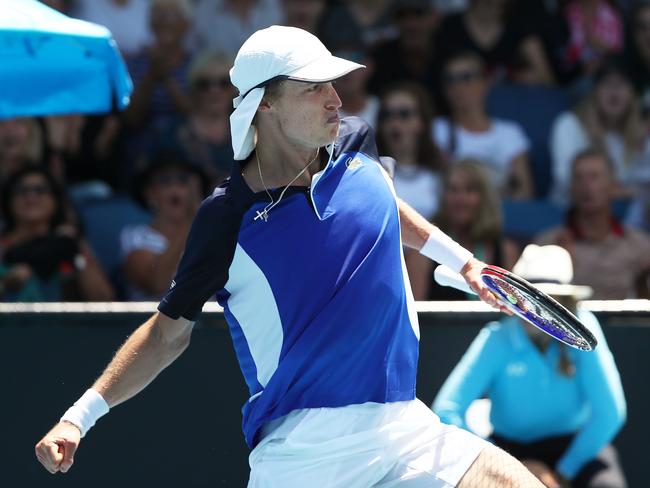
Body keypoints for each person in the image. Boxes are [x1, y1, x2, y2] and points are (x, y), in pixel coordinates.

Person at [35, 26, 545, 487]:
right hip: (304, 454)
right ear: (265, 105)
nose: (335, 100)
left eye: (333, 84)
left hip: (404, 428)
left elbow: (382, 202)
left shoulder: (356, 144)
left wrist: (461, 261)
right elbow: (167, 334)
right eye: (314, 88)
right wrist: (78, 417)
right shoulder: (225, 218)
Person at [432, 244, 628, 488]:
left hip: (575, 449)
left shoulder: (585, 326)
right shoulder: (497, 338)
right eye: (526, 298)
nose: (534, 309)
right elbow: (447, 410)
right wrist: (514, 466)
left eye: (548, 300)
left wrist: (565, 471)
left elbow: (610, 413)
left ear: (564, 301)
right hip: (507, 451)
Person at [536, 148, 650, 299]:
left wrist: (643, 282)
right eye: (578, 178)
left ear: (614, 187)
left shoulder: (640, 245)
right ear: (570, 188)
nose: (586, 186)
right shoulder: (549, 244)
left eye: (594, 177)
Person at [406, 159, 519, 301]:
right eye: (453, 189)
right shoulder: (422, 254)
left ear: (484, 198)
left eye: (470, 190)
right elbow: (417, 312)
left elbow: (514, 312)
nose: (460, 199)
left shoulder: (507, 252)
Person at [0, 167, 114, 302]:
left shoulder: (67, 243)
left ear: (55, 201)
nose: (31, 197)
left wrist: (76, 251)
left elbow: (102, 299)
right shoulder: (3, 246)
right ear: (9, 201)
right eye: (21, 191)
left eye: (40, 190)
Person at [433, 50, 534, 199]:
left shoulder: (510, 133)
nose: (458, 86)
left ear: (485, 83)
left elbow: (524, 192)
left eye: (466, 78)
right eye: (450, 79)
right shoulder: (437, 130)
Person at [548, 59, 648, 206]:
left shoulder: (642, 133)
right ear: (594, 92)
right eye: (607, 84)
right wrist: (622, 192)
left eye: (622, 85)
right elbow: (565, 179)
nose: (614, 92)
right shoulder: (569, 125)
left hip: (625, 218)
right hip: (569, 212)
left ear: (633, 94)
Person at [120, 150, 209, 301]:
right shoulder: (135, 236)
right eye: (165, 181)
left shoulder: (210, 235)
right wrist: (192, 219)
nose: (175, 189)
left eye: (183, 181)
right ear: (149, 193)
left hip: (210, 321)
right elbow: (156, 284)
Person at [152, 50, 237, 187]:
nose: (214, 90)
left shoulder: (252, 130)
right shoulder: (173, 133)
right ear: (193, 89)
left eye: (224, 83)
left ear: (235, 88)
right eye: (204, 84)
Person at [434, 0, 555, 85]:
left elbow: (547, 79)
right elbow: (441, 79)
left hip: (510, 107)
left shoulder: (520, 25)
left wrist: (522, 78)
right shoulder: (449, 27)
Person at [376, 81, 444, 220]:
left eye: (404, 114)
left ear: (421, 122)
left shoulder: (441, 174)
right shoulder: (368, 173)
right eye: (387, 115)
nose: (395, 123)